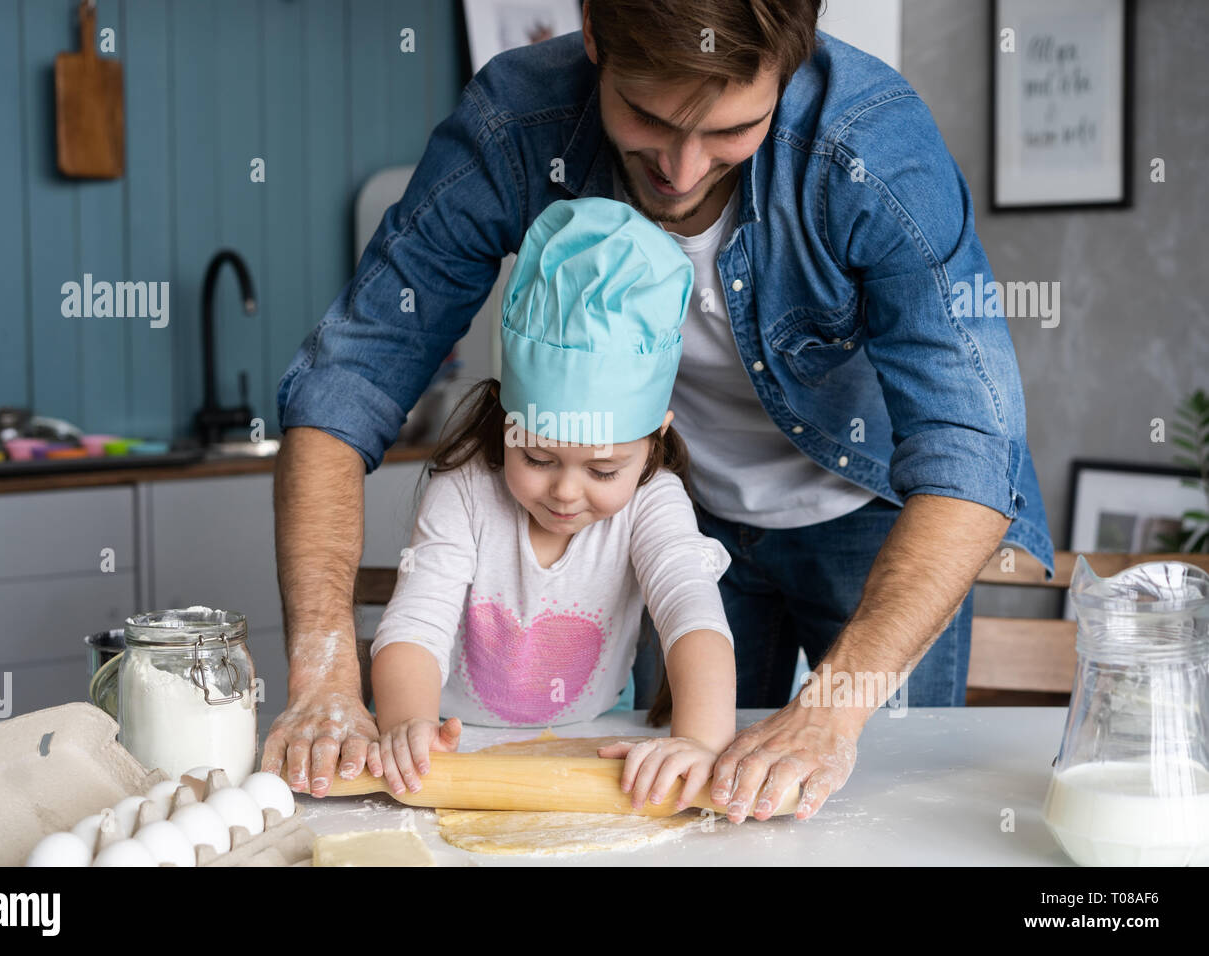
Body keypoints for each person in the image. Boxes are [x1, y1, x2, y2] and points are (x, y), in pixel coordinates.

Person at [265, 0, 1055, 824]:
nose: (680, 170)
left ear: (790, 67)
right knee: (672, 807)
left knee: (886, 807)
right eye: (647, 116)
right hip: (674, 503)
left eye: (730, 130)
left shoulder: (872, 149)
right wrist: (325, 678)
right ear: (595, 38)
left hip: (873, 514)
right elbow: (348, 380)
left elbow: (971, 443)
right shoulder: (517, 121)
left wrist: (827, 716)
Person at [365, 197, 737, 812]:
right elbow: (416, 622)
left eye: (602, 469)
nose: (566, 491)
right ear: (507, 420)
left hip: (593, 748)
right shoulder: (463, 490)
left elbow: (692, 612)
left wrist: (699, 741)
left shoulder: (653, 500)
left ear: (655, 440)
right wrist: (408, 724)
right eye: (537, 459)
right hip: (455, 751)